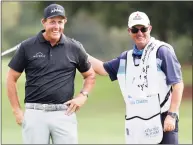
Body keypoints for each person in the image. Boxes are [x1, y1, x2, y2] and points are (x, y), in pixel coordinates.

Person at [88, 11, 184, 144]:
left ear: (149, 28)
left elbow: (177, 85)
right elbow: (103, 69)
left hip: (164, 117)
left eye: (143, 29)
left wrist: (172, 115)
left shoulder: (162, 52)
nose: (139, 33)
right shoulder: (125, 58)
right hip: (138, 121)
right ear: (129, 31)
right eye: (135, 29)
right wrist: (78, 52)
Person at [6, 3, 95, 144]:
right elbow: (11, 78)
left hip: (64, 113)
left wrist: (83, 96)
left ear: (64, 22)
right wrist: (16, 110)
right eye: (52, 22)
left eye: (60, 22)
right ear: (44, 22)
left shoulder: (74, 47)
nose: (56, 26)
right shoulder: (27, 47)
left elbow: (90, 75)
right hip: (35, 114)